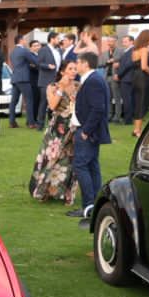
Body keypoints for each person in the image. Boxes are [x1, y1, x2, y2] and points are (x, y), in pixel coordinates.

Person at [69, 52, 111, 225]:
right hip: (87, 130)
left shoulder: (93, 80)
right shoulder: (92, 79)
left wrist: (86, 130)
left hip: (87, 132)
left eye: (78, 62)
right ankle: (94, 204)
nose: (76, 65)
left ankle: (88, 205)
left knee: (80, 165)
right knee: (92, 165)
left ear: (85, 64)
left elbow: (98, 108)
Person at [29, 60, 79, 203]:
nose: (73, 71)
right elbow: (52, 105)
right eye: (70, 68)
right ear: (62, 71)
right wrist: (61, 88)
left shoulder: (79, 86)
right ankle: (43, 191)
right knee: (51, 159)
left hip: (73, 127)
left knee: (69, 161)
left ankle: (66, 194)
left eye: (75, 69)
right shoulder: (53, 86)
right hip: (57, 130)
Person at [34, 32, 66, 128]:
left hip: (57, 80)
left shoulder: (59, 50)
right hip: (45, 80)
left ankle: (53, 123)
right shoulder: (43, 50)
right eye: (57, 38)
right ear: (52, 39)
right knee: (44, 102)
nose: (59, 40)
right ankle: (40, 124)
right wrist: (48, 66)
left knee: (55, 103)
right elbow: (38, 63)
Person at [129, 29, 149, 137]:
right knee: (142, 103)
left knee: (138, 103)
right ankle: (137, 130)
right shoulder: (144, 49)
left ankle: (136, 129)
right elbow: (144, 66)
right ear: (147, 38)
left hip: (135, 78)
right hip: (143, 78)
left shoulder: (135, 50)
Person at [8, 34, 39, 129]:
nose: (25, 41)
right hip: (24, 79)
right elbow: (34, 61)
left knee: (13, 101)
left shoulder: (12, 52)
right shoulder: (24, 50)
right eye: (24, 40)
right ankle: (31, 123)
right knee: (29, 100)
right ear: (21, 40)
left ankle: (12, 122)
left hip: (15, 78)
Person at [113, 35, 137, 125]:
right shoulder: (128, 51)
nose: (123, 43)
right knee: (129, 99)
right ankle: (129, 118)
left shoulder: (131, 51)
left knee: (127, 100)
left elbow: (127, 65)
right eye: (123, 41)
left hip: (127, 78)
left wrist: (118, 74)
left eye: (125, 41)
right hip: (128, 78)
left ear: (131, 42)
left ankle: (128, 119)